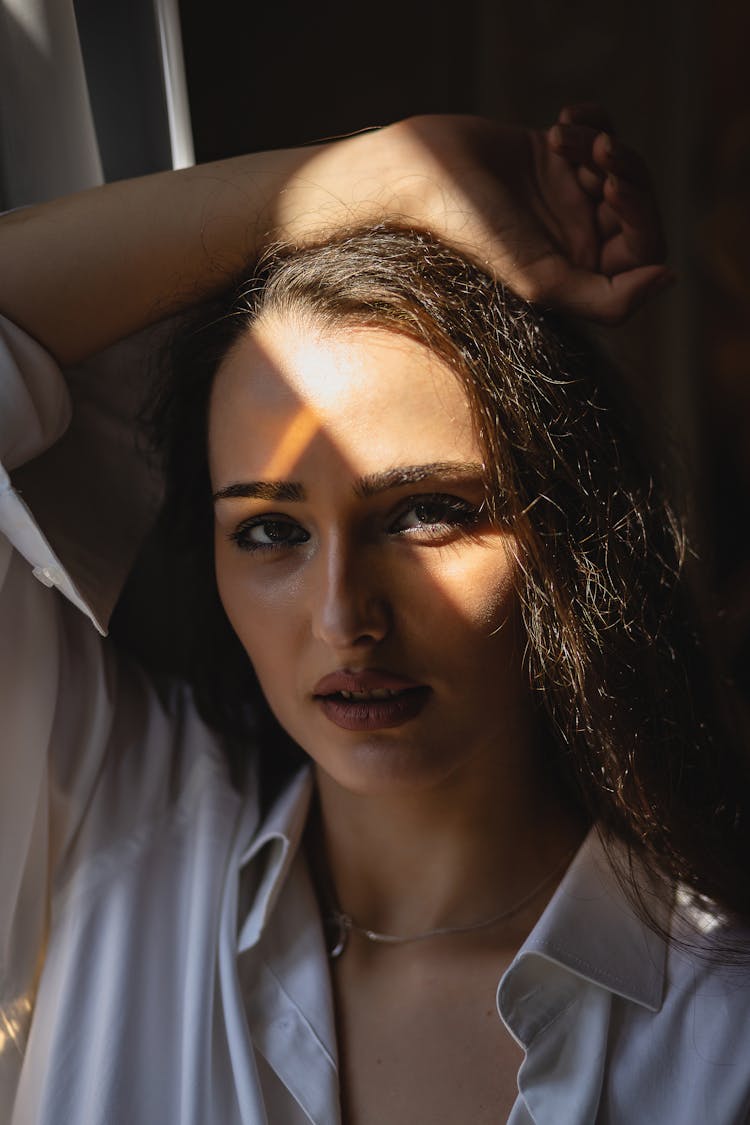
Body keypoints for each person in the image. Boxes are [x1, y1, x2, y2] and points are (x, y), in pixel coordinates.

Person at [1, 107, 748, 1125]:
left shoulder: (722, 1033)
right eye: (270, 532)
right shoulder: (124, 831)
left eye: (427, 514)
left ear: (564, 535)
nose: (345, 615)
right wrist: (367, 180)